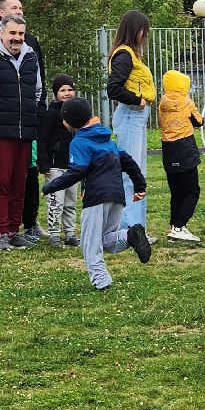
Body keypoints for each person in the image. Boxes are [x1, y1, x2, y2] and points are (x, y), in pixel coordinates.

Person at [43, 96, 151, 290]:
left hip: (96, 197)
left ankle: (102, 282)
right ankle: (130, 235)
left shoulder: (80, 142)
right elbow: (128, 161)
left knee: (89, 243)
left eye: (64, 118)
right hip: (117, 196)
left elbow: (78, 171)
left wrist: (51, 186)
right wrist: (140, 185)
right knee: (106, 239)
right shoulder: (107, 139)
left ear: (70, 121)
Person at [0, 0, 48, 234]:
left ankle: (15, 231)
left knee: (20, 182)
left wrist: (30, 114)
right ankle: (1, 230)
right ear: (2, 33)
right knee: (0, 183)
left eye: (21, 34)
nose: (17, 38)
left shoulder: (30, 57)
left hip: (24, 129)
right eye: (12, 33)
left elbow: (37, 90)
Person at [107, 10, 155, 233]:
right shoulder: (124, 55)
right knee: (131, 173)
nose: (146, 34)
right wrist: (137, 99)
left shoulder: (133, 54)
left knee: (138, 172)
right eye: (144, 30)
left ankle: (137, 228)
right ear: (135, 29)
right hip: (130, 114)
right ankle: (128, 229)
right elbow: (113, 88)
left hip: (136, 115)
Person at [159, 69, 204, 242]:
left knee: (176, 192)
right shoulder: (186, 101)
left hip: (168, 149)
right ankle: (180, 226)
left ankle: (173, 227)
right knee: (192, 190)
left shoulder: (163, 102)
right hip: (185, 148)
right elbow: (198, 121)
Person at [38, 75, 80, 246]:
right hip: (55, 167)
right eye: (62, 90)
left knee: (70, 202)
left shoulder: (77, 113)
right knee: (56, 201)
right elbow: (43, 139)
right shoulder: (51, 114)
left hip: (72, 166)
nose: (67, 93)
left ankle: (70, 233)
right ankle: (54, 233)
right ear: (56, 93)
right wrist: (44, 163)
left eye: (70, 89)